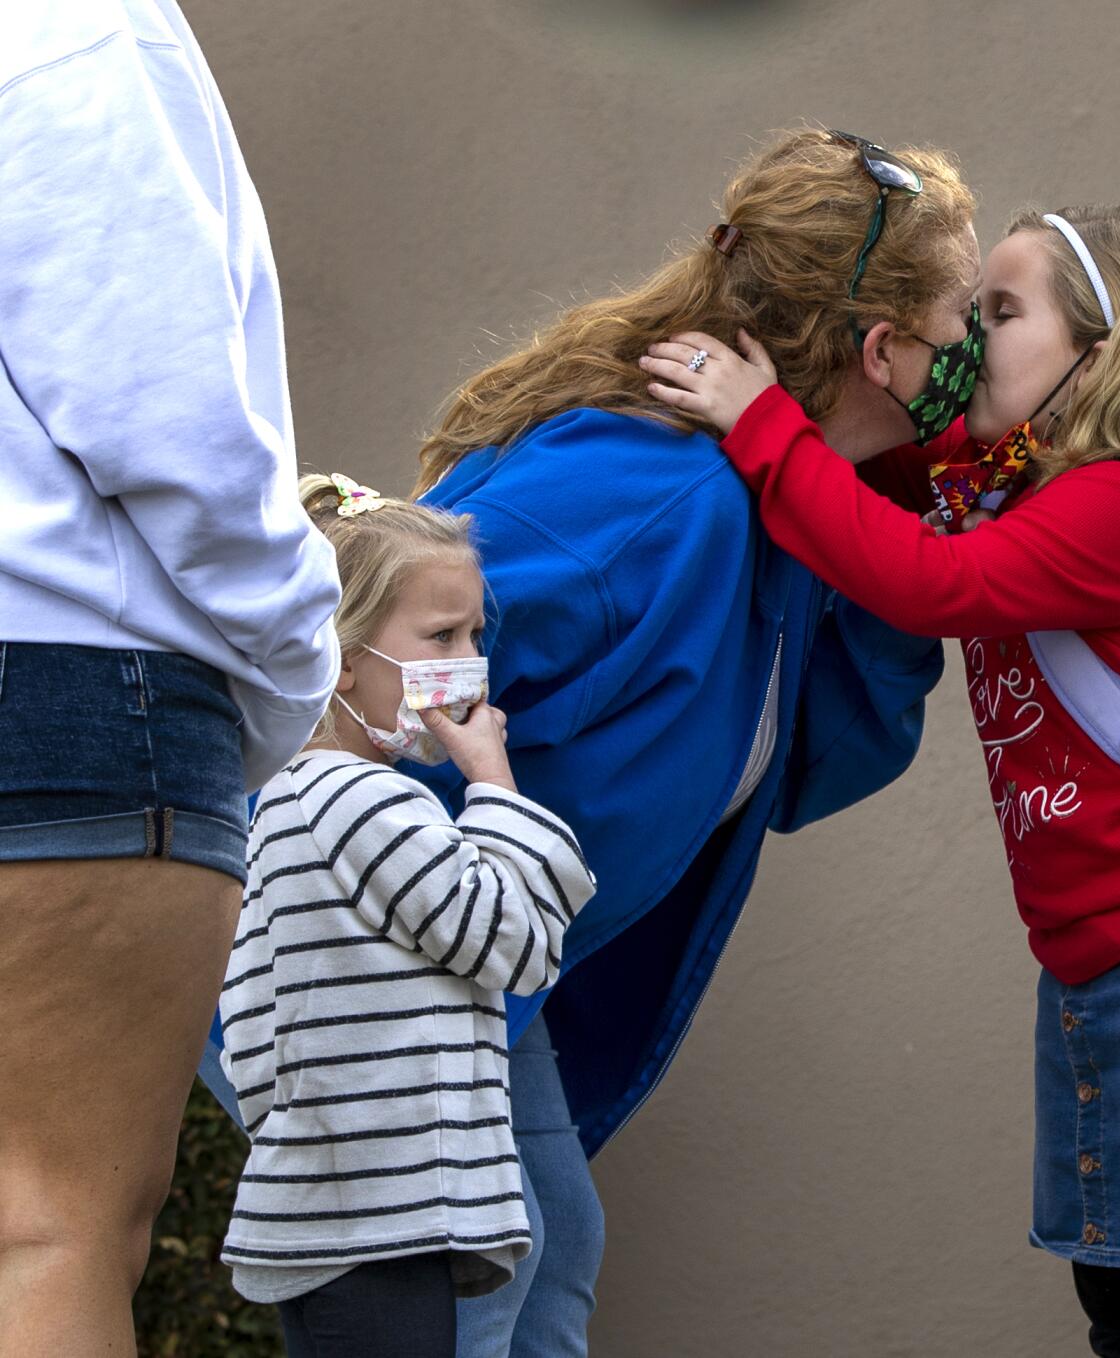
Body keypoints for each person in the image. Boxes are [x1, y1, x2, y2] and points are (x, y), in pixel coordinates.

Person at [196, 126, 972, 1356]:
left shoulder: (778, 511)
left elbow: (811, 762)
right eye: (957, 331)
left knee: (545, 1254)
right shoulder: (646, 500)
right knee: (474, 1293)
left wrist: (887, 538)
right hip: (364, 961)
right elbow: (348, 651)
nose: (972, 363)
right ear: (881, 351)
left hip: (463, 961)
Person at [642, 204, 1120, 1358]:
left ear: (1103, 351)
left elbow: (927, 583)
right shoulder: (1004, 482)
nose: (970, 338)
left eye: (998, 311)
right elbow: (879, 480)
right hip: (1102, 955)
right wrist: (867, 375)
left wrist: (764, 424)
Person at [0, 3, 341, 1353]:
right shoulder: (79, 33)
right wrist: (298, 660)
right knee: (47, 1226)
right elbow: (174, 426)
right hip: (67, 673)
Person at [220, 475, 595, 1358]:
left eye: (475, 635)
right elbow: (519, 945)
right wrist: (494, 781)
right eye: (440, 636)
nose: (470, 662)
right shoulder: (359, 800)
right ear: (340, 655)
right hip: (382, 1220)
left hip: (343, 1213)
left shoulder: (286, 796)